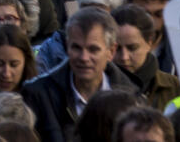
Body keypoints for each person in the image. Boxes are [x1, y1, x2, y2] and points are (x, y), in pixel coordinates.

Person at [22, 8, 137, 138]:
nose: (84, 57)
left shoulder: (132, 97)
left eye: (93, 49)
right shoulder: (38, 95)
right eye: (76, 48)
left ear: (111, 51)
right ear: (67, 46)